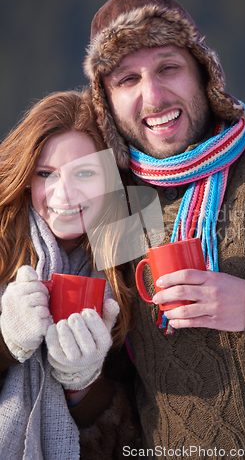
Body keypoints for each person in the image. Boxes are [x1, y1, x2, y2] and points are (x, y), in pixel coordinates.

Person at [81, 0, 245, 458]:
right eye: (127, 79)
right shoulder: (115, 211)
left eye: (168, 67)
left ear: (204, 72)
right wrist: (78, 382)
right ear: (106, 103)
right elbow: (120, 391)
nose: (152, 96)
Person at [0, 89, 141, 459]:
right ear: (27, 177)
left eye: (84, 173)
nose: (64, 194)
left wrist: (83, 384)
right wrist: (5, 343)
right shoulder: (2, 244)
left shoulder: (132, 263)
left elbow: (136, 432)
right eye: (46, 174)